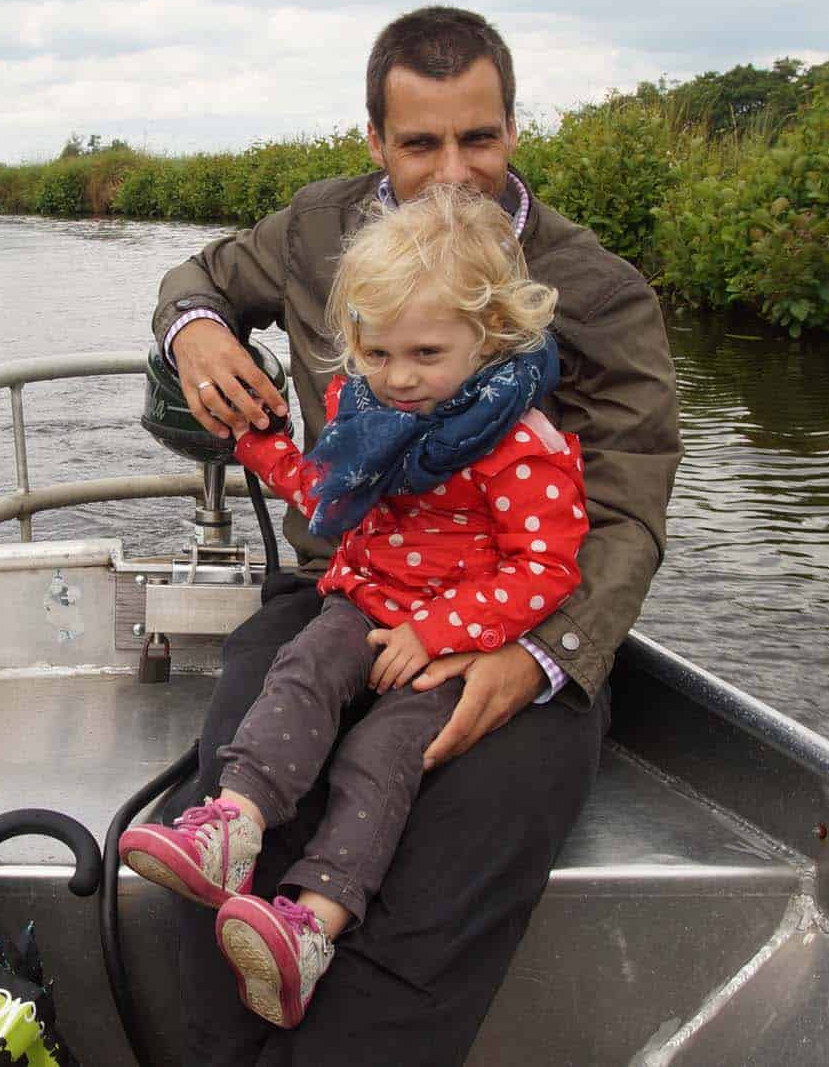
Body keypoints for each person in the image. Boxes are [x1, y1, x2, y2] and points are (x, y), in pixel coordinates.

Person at [151, 5, 681, 1064]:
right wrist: (197, 329)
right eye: (420, 141)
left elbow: (626, 510)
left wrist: (533, 661)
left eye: (477, 138)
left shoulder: (600, 291)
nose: (451, 171)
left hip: (522, 624)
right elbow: (199, 279)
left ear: (514, 129)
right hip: (344, 588)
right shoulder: (313, 227)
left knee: (455, 860)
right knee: (240, 781)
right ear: (375, 143)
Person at [121, 188, 588, 1029]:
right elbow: (327, 494)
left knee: (378, 755)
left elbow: (545, 570)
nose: (398, 377)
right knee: (298, 671)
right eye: (375, 351)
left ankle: (312, 926)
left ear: (490, 340)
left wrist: (438, 632)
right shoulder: (364, 409)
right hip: (364, 600)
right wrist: (257, 445)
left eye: (425, 353)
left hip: (452, 643)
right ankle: (233, 824)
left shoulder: (521, 447)